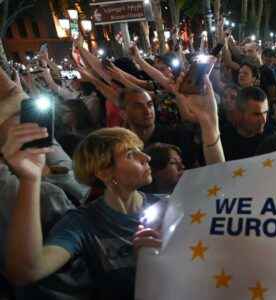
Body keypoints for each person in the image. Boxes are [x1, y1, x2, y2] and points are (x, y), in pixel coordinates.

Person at [4, 76, 224, 299]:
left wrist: (209, 124)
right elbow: (26, 271)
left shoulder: (168, 205)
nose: (146, 157)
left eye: (140, 150)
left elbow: (224, 203)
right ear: (104, 172)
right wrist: (29, 180)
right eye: (131, 154)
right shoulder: (82, 223)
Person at [220, 86, 274, 160]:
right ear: (239, 113)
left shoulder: (272, 136)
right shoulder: (222, 139)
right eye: (256, 114)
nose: (263, 120)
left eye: (265, 113)